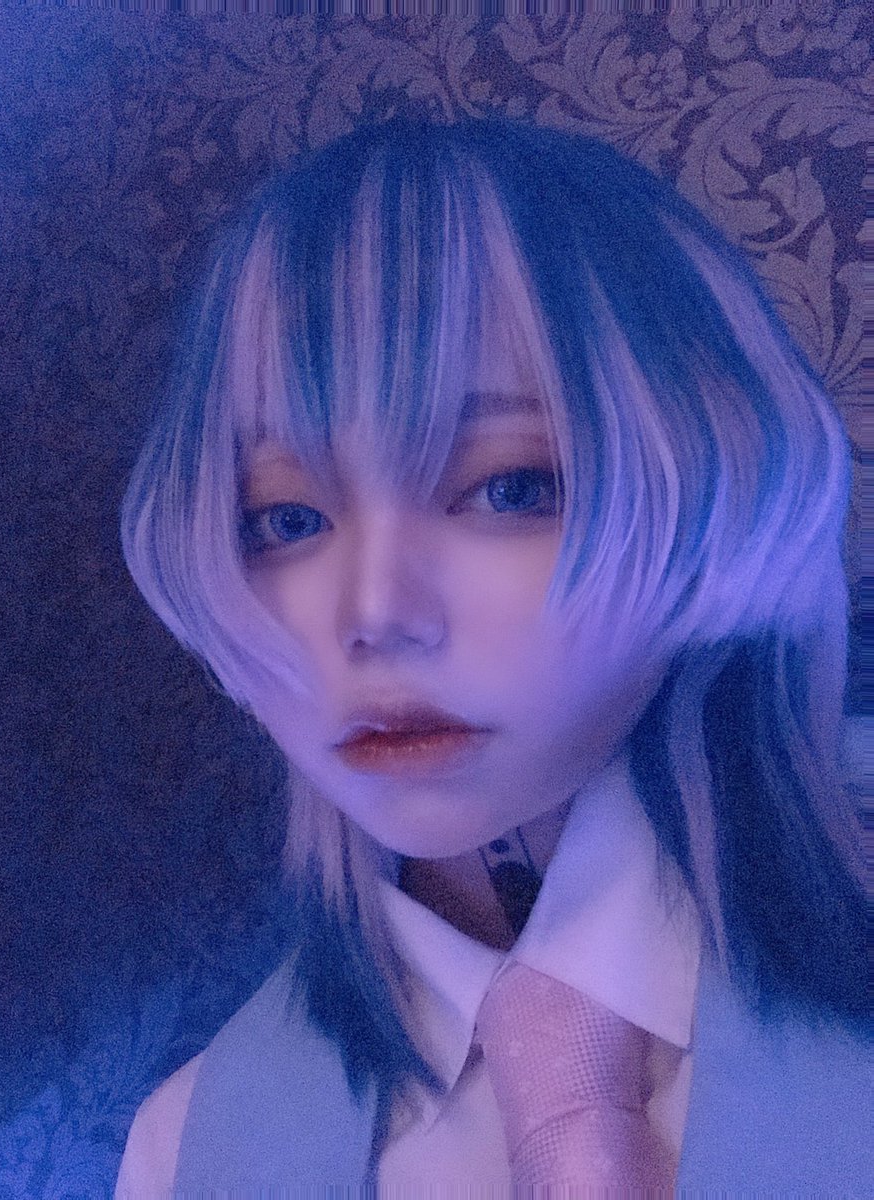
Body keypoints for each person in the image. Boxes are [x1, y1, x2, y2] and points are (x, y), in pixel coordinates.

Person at [114, 115, 869, 1195]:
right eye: (285, 519)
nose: (376, 613)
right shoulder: (189, 1154)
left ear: (718, 481)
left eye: (508, 486)